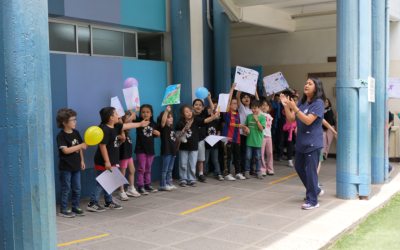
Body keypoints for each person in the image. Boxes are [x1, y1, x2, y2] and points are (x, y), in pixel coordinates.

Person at [88, 107, 149, 212]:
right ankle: (92, 202)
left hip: (113, 160)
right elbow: (102, 146)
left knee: (110, 181)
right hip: (103, 161)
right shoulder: (105, 130)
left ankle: (108, 201)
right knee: (102, 182)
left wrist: (140, 124)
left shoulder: (116, 126)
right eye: (116, 114)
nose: (118, 115)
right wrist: (107, 161)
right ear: (111, 117)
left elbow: (127, 125)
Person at [280, 77, 325, 210]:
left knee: (311, 172)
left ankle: (313, 200)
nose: (306, 85)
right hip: (301, 143)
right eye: (306, 83)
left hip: (312, 143)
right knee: (299, 167)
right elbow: (291, 118)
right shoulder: (302, 102)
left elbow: (307, 121)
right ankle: (314, 190)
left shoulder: (318, 103)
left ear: (316, 88)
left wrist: (294, 106)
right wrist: (286, 106)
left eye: (310, 84)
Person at [175, 105, 220, 187]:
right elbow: (178, 134)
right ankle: (183, 179)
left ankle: (192, 179)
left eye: (190, 111)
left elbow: (206, 120)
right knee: (183, 164)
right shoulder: (180, 123)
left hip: (194, 147)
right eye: (186, 111)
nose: (189, 113)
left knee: (192, 165)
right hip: (183, 148)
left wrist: (214, 117)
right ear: (182, 114)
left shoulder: (195, 120)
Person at [56, 108, 88, 217]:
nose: (75, 121)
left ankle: (75, 206)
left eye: (75, 119)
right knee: (66, 189)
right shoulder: (61, 136)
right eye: (72, 119)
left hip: (76, 166)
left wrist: (82, 161)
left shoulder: (76, 132)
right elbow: (66, 150)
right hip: (66, 167)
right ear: (64, 123)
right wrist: (79, 146)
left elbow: (79, 150)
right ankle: (64, 209)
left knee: (77, 188)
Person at [131, 104, 160, 195]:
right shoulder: (139, 121)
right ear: (140, 114)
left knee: (148, 168)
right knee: (141, 169)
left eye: (148, 112)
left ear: (151, 114)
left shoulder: (154, 124)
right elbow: (132, 115)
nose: (145, 114)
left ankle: (148, 184)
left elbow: (157, 135)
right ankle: (140, 186)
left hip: (150, 150)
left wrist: (158, 133)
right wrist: (132, 109)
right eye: (143, 112)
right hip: (140, 150)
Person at [222, 83, 247, 180]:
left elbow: (237, 125)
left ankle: (238, 172)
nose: (236, 105)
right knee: (228, 157)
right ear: (230, 105)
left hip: (237, 139)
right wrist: (232, 88)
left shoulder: (237, 114)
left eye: (237, 103)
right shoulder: (227, 112)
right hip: (228, 138)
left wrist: (244, 127)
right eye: (234, 103)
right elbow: (228, 100)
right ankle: (227, 174)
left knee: (237, 157)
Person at [118, 109, 141, 200]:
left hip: (128, 155)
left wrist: (133, 112)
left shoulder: (127, 133)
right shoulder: (120, 131)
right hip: (123, 155)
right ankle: (121, 191)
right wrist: (134, 113)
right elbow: (127, 123)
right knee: (122, 174)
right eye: (127, 119)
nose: (130, 121)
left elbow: (128, 122)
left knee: (132, 170)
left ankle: (131, 188)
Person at [193, 93, 214, 183]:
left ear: (202, 107)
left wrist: (209, 98)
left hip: (201, 140)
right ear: (193, 106)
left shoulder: (204, 114)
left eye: (200, 105)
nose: (198, 106)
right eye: (196, 105)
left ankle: (201, 174)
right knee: (192, 159)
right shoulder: (191, 116)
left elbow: (212, 108)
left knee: (201, 158)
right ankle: (192, 174)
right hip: (192, 140)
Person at [237, 89, 259, 174]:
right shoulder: (241, 108)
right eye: (244, 97)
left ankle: (251, 169)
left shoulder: (253, 110)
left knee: (252, 153)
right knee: (243, 152)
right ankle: (243, 169)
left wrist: (255, 91)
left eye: (248, 97)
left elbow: (258, 101)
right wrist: (240, 87)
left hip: (253, 134)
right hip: (243, 134)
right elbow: (238, 96)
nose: (246, 99)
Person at [243, 100, 266, 179]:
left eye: (255, 108)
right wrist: (245, 129)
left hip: (258, 141)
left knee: (258, 157)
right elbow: (245, 126)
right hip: (249, 140)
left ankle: (258, 171)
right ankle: (247, 170)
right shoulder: (249, 116)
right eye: (252, 108)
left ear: (260, 108)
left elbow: (261, 128)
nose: (253, 110)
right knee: (247, 157)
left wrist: (256, 119)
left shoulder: (262, 117)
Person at [157, 105, 178, 191]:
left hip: (172, 152)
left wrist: (174, 153)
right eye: (169, 117)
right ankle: (162, 185)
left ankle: (170, 183)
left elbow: (173, 143)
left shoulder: (171, 129)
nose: (171, 118)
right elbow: (162, 122)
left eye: (171, 117)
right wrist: (166, 111)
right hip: (166, 152)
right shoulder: (164, 128)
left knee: (170, 169)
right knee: (164, 170)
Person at [204, 106, 223, 181]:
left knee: (215, 159)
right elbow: (203, 132)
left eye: (213, 112)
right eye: (211, 112)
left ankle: (218, 173)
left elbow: (218, 131)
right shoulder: (205, 122)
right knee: (205, 160)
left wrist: (217, 136)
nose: (212, 114)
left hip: (214, 144)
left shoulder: (216, 122)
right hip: (207, 144)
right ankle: (202, 173)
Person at [282, 93, 297, 167]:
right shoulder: (287, 109)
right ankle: (290, 160)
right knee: (290, 145)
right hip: (289, 130)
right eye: (293, 100)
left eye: (296, 100)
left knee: (298, 144)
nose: (294, 101)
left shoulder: (299, 109)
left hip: (297, 129)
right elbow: (289, 118)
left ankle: (298, 159)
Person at [260, 100, 274, 176]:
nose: (265, 106)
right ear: (260, 107)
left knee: (270, 153)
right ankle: (262, 169)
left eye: (266, 105)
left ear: (269, 108)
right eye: (263, 105)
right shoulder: (260, 114)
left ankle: (270, 169)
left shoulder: (270, 117)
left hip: (269, 136)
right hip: (262, 136)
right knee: (261, 153)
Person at [271, 93, 286, 161]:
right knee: (278, 139)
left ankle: (280, 154)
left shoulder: (285, 105)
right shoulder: (277, 105)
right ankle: (279, 155)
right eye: (275, 98)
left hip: (286, 125)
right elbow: (272, 105)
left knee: (282, 140)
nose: (277, 100)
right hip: (278, 124)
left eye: (278, 98)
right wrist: (272, 96)